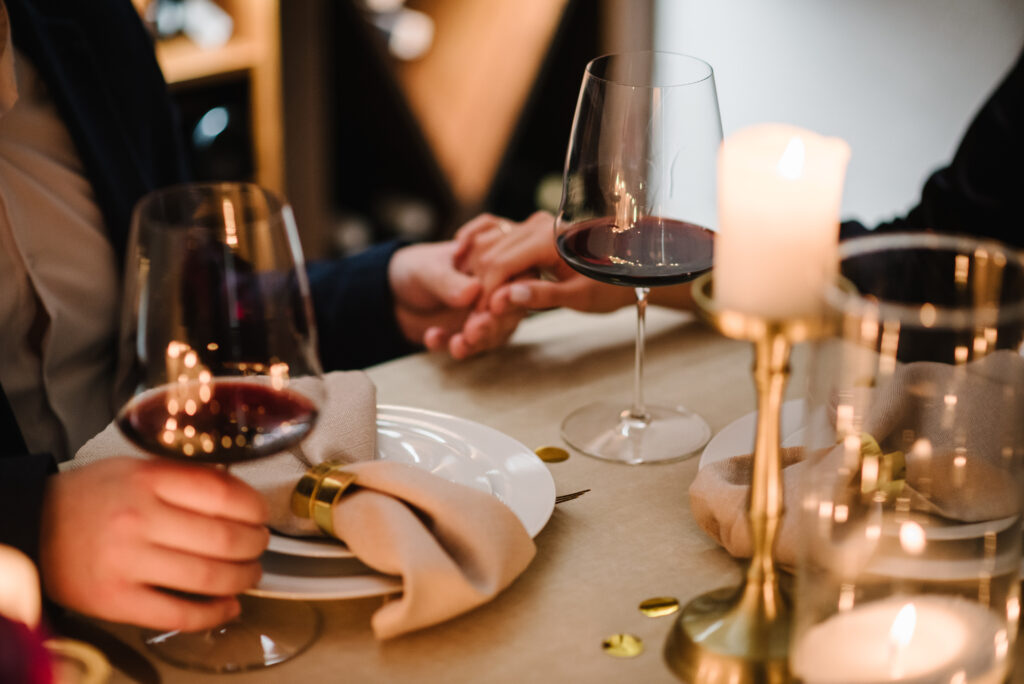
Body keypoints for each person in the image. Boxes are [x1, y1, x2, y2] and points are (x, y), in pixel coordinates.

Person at [0, 0, 524, 632]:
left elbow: (197, 305)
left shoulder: (87, 20)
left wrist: (384, 292)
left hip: (194, 557)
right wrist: (31, 524)